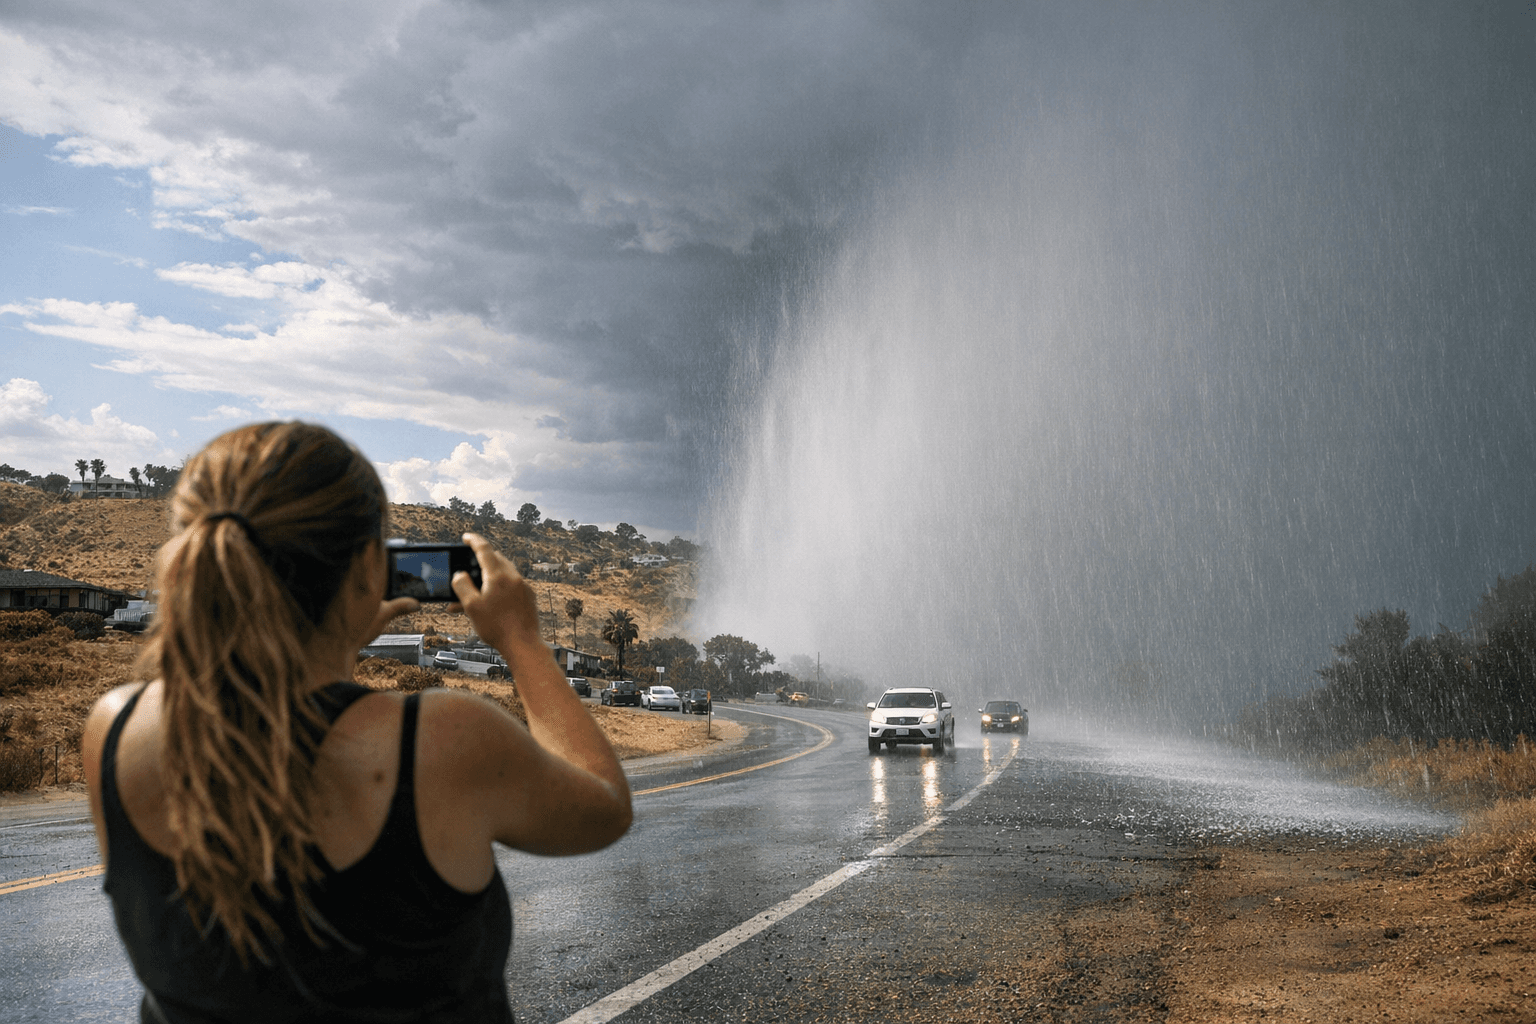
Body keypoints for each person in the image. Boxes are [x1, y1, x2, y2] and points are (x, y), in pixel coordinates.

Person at [82, 422, 632, 1023]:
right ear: (371, 567)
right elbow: (603, 807)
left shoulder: (114, 728)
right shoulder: (443, 738)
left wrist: (334, 643)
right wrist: (522, 640)